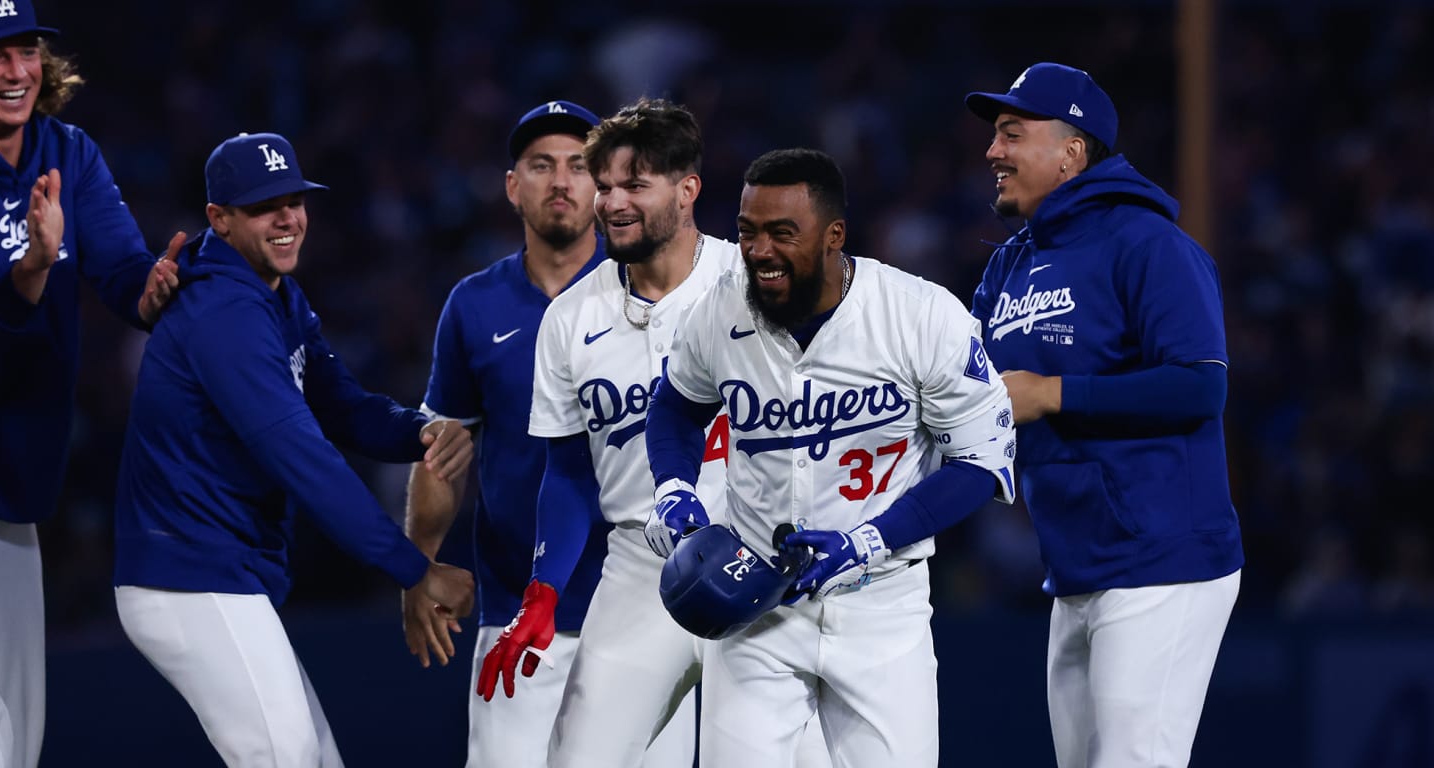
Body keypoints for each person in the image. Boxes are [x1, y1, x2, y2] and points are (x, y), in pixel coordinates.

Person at [643, 148, 1017, 766]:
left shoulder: (919, 314)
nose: (759, 251)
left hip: (880, 602)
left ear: (833, 236)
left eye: (782, 233)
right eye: (747, 232)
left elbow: (984, 461)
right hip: (755, 607)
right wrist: (674, 489)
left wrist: (871, 539)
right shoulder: (721, 309)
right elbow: (675, 406)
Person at [112, 131, 477, 766]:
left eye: (293, 199)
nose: (286, 218)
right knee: (286, 757)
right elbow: (304, 460)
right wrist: (413, 569)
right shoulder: (222, 311)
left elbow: (340, 403)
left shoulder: (273, 293)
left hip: (224, 574)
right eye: (262, 206)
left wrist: (417, 430)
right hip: (188, 578)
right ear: (219, 220)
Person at [0, 2, 182, 764]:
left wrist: (149, 293)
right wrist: (29, 271)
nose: (17, 72)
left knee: (18, 729)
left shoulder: (69, 148)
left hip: (18, 471)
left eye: (26, 51)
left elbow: (120, 267)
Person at [964, 62, 1244, 768]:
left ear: (1072, 151)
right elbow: (960, 382)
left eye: (1011, 133)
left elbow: (1199, 388)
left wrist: (1055, 394)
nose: (992, 152)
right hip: (1077, 563)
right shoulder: (1010, 264)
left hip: (1164, 555)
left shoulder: (1149, 245)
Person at [402, 99, 691, 767]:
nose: (561, 181)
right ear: (513, 186)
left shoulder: (654, 292)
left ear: (602, 184)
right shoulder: (474, 305)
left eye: (576, 166)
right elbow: (443, 453)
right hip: (516, 609)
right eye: (540, 166)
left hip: (647, 612)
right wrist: (415, 565)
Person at [474, 97, 738, 767]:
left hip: (760, 556)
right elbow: (567, 475)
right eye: (607, 184)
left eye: (634, 184)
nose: (613, 201)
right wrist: (543, 592)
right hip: (642, 567)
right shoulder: (569, 319)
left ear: (687, 190)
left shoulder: (749, 283)